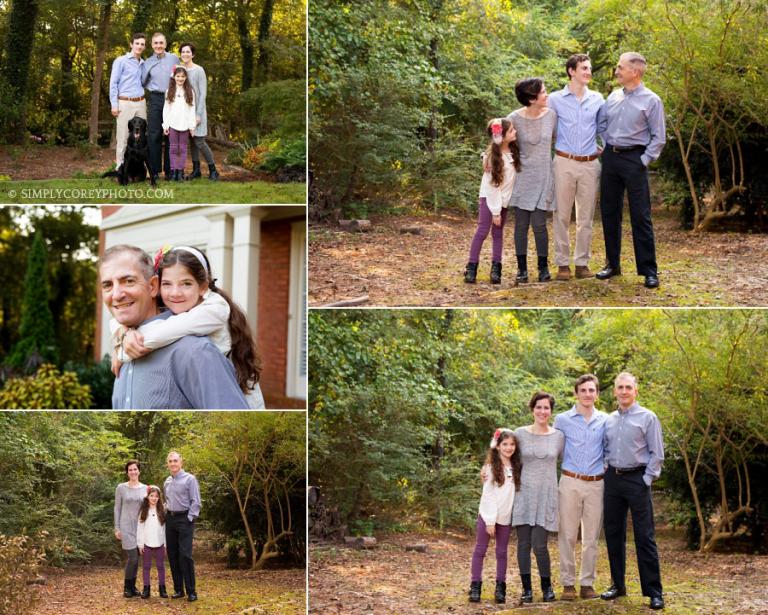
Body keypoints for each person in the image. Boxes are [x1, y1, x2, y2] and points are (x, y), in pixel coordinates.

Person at [109, 245, 265, 408]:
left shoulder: (213, 310)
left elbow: (162, 333)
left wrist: (123, 349)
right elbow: (116, 319)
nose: (175, 292)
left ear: (203, 286)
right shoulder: (177, 306)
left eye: (186, 284)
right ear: (157, 286)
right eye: (167, 284)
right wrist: (123, 333)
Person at [596, 52, 666, 289]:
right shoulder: (613, 97)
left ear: (634, 71)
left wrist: (643, 160)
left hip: (635, 159)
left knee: (641, 215)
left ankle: (649, 270)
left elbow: (659, 137)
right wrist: (608, 145)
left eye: (620, 67)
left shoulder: (651, 100)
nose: (616, 71)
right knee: (609, 212)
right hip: (611, 159)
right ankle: (612, 265)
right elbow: (602, 124)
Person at [601, 372, 665, 610]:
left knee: (644, 536)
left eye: (628, 387)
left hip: (638, 479)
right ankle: (618, 585)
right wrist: (607, 467)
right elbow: (606, 448)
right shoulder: (609, 420)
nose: (624, 391)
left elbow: (657, 453)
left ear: (635, 391)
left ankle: (654, 592)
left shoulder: (648, 417)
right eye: (620, 387)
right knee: (613, 534)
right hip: (613, 481)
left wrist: (646, 479)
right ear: (615, 391)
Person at [547, 54, 605, 281]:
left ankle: (582, 263)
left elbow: (604, 128)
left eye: (589, 68)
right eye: (584, 68)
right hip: (563, 162)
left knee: (586, 217)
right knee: (561, 214)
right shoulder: (554, 99)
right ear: (571, 71)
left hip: (590, 164)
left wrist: (605, 148)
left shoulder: (598, 99)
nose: (588, 72)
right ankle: (562, 264)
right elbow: (545, 127)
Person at [552, 374, 608, 601]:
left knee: (591, 536)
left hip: (596, 484)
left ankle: (587, 584)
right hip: (570, 481)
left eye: (591, 390)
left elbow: (609, 449)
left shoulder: (606, 420)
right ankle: (568, 585)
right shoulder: (562, 420)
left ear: (597, 394)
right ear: (576, 393)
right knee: (567, 534)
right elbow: (552, 448)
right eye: (583, 390)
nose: (587, 394)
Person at [512, 392, 564, 603]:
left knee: (540, 545)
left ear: (551, 411)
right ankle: (526, 589)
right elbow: (503, 455)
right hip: (524, 494)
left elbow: (571, 460)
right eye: (539, 407)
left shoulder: (559, 436)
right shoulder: (518, 434)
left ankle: (547, 586)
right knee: (523, 544)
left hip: (546, 495)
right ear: (532, 409)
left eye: (546, 408)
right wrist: (488, 469)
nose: (542, 411)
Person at [506, 78, 557, 284]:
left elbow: (560, 139)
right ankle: (522, 269)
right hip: (522, 177)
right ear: (531, 97)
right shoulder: (513, 118)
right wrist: (487, 158)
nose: (547, 95)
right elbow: (497, 141)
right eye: (543, 92)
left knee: (539, 225)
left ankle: (543, 268)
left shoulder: (552, 116)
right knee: (521, 225)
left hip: (544, 175)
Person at [464, 118, 520, 285]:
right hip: (490, 198)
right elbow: (493, 186)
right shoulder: (491, 159)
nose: (515, 132)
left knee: (497, 234)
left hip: (503, 201)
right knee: (482, 231)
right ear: (501, 137)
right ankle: (472, 266)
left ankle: (496, 269)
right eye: (511, 131)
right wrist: (495, 211)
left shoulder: (513, 153)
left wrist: (502, 206)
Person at [469, 428, 522, 605]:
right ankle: (475, 585)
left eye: (512, 444)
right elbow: (488, 495)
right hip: (487, 515)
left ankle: (500, 587)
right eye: (505, 444)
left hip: (505, 517)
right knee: (480, 550)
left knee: (501, 552)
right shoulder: (491, 468)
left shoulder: (516, 467)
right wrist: (490, 521)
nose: (509, 447)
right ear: (497, 446)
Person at [179, 42, 219, 180]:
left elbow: (203, 94)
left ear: (193, 54)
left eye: (188, 52)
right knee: (192, 141)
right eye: (183, 52)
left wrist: (198, 114)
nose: (185, 54)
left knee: (200, 141)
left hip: (197, 112)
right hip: (185, 112)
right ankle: (196, 170)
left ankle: (213, 170)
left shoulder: (199, 70)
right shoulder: (179, 70)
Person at [164, 451, 201, 602]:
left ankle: (192, 591)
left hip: (185, 519)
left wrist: (190, 518)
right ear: (168, 464)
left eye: (175, 461)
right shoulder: (167, 481)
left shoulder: (190, 479)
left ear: (181, 462)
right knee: (172, 555)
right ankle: (179, 590)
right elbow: (167, 500)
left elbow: (196, 501)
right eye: (170, 461)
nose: (173, 463)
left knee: (185, 555)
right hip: (170, 520)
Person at [142, 32, 179, 181]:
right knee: (154, 134)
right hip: (156, 98)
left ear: (165, 44)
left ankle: (170, 171)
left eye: (161, 43)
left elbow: (181, 77)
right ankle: (154, 171)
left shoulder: (174, 59)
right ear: (152, 45)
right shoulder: (147, 62)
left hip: (172, 99)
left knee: (171, 135)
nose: (158, 45)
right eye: (156, 43)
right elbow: (143, 81)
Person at [109, 33, 147, 168]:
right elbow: (113, 84)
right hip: (125, 103)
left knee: (142, 136)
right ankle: (120, 168)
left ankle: (140, 170)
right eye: (137, 43)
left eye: (142, 44)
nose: (139, 46)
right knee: (123, 137)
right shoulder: (120, 61)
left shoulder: (143, 63)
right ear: (131, 44)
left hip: (141, 103)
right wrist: (114, 104)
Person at [114, 460, 146, 598]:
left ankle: (133, 587)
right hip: (126, 526)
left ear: (139, 471)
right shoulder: (121, 488)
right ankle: (127, 587)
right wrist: (117, 528)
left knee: (137, 558)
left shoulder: (146, 488)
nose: (133, 472)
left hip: (140, 527)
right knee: (133, 557)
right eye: (130, 470)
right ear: (127, 472)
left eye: (135, 469)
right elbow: (117, 508)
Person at [162, 66, 197, 181]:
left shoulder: (190, 91)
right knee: (173, 149)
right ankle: (174, 172)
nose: (180, 79)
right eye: (178, 76)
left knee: (182, 149)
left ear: (186, 77)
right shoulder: (169, 91)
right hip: (172, 124)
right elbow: (166, 109)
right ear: (174, 77)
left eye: (183, 76)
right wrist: (165, 125)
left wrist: (192, 126)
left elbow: (192, 109)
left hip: (185, 125)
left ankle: (180, 172)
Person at [137, 485, 168, 599]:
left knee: (161, 566)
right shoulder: (143, 511)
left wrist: (165, 544)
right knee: (146, 567)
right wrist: (140, 544)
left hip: (159, 543)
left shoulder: (162, 511)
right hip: (147, 543)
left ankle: (162, 589)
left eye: (156, 496)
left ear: (159, 498)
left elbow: (164, 529)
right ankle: (146, 589)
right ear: (147, 497)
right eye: (152, 496)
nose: (154, 498)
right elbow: (139, 528)